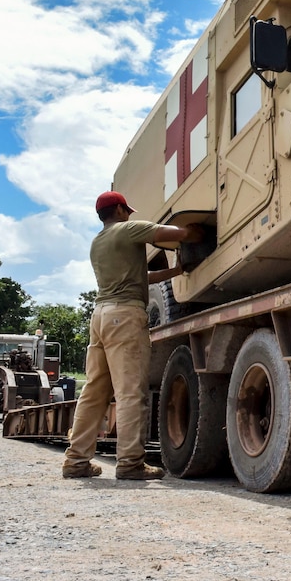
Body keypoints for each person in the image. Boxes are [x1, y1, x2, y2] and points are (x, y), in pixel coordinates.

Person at [61, 191, 202, 480]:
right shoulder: (128, 229)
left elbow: (141, 278)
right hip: (124, 316)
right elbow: (175, 233)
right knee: (129, 393)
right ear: (121, 210)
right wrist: (195, 232)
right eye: (128, 210)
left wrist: (175, 270)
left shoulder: (97, 242)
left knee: (94, 392)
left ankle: (76, 461)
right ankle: (130, 464)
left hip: (100, 315)